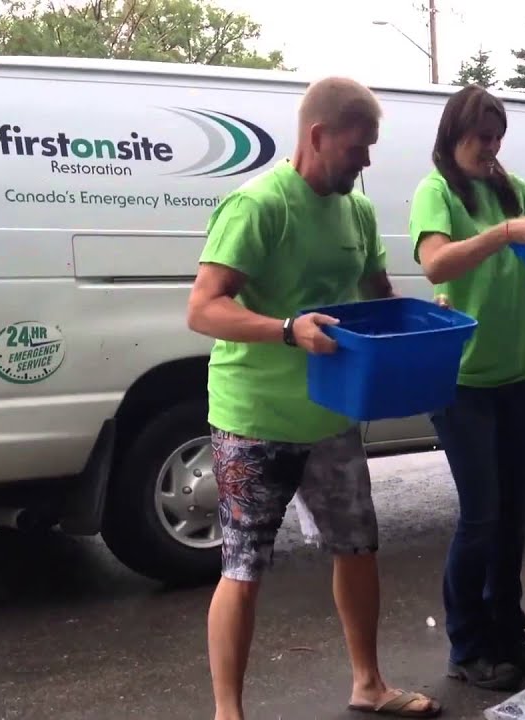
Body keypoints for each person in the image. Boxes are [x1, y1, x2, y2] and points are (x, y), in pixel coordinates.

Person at [186, 77, 441, 719]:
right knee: (243, 565)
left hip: (332, 411)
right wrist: (285, 329)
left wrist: (423, 319)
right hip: (255, 415)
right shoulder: (259, 206)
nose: (366, 160)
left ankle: (368, 685)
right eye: (359, 147)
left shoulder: (355, 210)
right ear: (318, 135)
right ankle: (228, 714)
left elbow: (377, 297)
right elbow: (203, 308)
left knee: (357, 546)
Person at [408, 85, 525, 693]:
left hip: (513, 376)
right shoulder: (437, 190)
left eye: (497, 140)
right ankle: (467, 646)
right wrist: (505, 234)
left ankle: (510, 637)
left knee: (513, 519)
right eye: (481, 140)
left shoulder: (507, 186)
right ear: (453, 137)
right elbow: (436, 264)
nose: (490, 150)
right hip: (462, 381)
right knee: (480, 518)